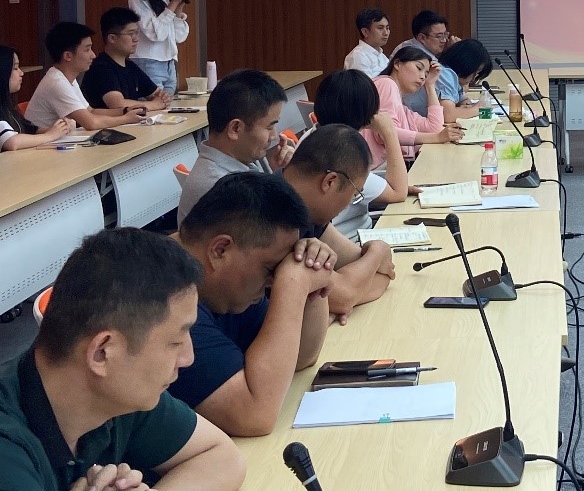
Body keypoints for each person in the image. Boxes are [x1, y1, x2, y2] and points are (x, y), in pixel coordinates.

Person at [0, 228, 245, 490]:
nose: (188, 358)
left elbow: (222, 458)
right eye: (175, 342)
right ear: (102, 352)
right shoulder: (7, 455)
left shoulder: (116, 396)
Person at [170, 173, 336, 438]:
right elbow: (254, 416)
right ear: (220, 250)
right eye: (271, 268)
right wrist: (292, 284)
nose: (273, 281)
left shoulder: (223, 287)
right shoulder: (165, 298)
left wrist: (309, 273)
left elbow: (302, 356)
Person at [280, 124, 396, 317]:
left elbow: (379, 274)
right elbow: (345, 296)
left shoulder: (307, 208)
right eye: (355, 193)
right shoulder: (276, 219)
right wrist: (379, 250)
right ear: (330, 182)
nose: (349, 203)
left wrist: (349, 294)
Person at [177, 69, 296, 225]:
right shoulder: (222, 189)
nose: (274, 135)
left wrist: (278, 174)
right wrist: (295, 178)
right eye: (269, 127)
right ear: (235, 129)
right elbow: (283, 229)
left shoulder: (241, 160)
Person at [311, 70, 418, 236]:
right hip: (356, 240)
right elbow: (398, 193)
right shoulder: (345, 150)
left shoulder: (312, 137)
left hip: (353, 235)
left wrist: (386, 185)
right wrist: (389, 132)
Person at [24, 22, 147, 132]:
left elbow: (91, 111)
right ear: (68, 56)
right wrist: (126, 119)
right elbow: (91, 123)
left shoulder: (67, 78)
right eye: (87, 49)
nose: (93, 55)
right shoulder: (56, 83)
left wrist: (125, 111)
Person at [373, 46, 460, 161]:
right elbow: (386, 132)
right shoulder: (386, 83)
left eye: (426, 74)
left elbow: (435, 128)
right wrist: (437, 137)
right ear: (397, 64)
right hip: (375, 168)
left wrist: (430, 85)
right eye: (419, 68)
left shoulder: (402, 107)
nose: (423, 77)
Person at [81, 7, 171, 113]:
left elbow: (156, 94)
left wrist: (163, 98)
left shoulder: (130, 66)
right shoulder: (101, 67)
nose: (136, 39)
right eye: (131, 34)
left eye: (137, 33)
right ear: (112, 38)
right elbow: (117, 104)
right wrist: (154, 105)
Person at [0, 45, 73, 151]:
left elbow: (31, 130)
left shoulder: (8, 107)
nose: (21, 73)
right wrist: (50, 135)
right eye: (15, 68)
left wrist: (60, 128)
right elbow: (12, 142)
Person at [437, 38, 493, 123]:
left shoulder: (454, 77)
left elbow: (462, 99)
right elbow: (448, 116)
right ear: (466, 65)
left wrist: (466, 105)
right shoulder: (445, 74)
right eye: (476, 72)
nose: (473, 79)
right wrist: (479, 109)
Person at [390, 9, 461, 63]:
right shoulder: (414, 56)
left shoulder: (411, 45)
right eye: (439, 36)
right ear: (422, 38)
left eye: (445, 35)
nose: (444, 40)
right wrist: (454, 52)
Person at [343, 8, 391, 78]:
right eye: (380, 28)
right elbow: (364, 84)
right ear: (365, 32)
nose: (386, 33)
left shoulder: (383, 57)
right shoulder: (358, 56)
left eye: (387, 28)